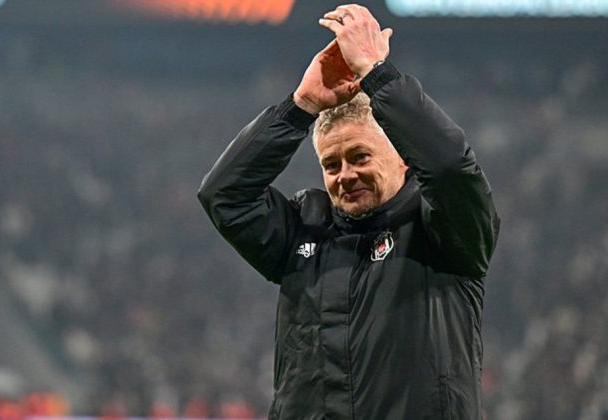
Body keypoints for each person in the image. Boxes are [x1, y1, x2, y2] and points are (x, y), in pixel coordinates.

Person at [198, 4, 500, 419]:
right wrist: (301, 106)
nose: (345, 175)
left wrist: (378, 75)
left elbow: (450, 168)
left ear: (404, 158)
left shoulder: (444, 230)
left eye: (360, 156)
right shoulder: (303, 230)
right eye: (331, 164)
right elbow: (223, 195)